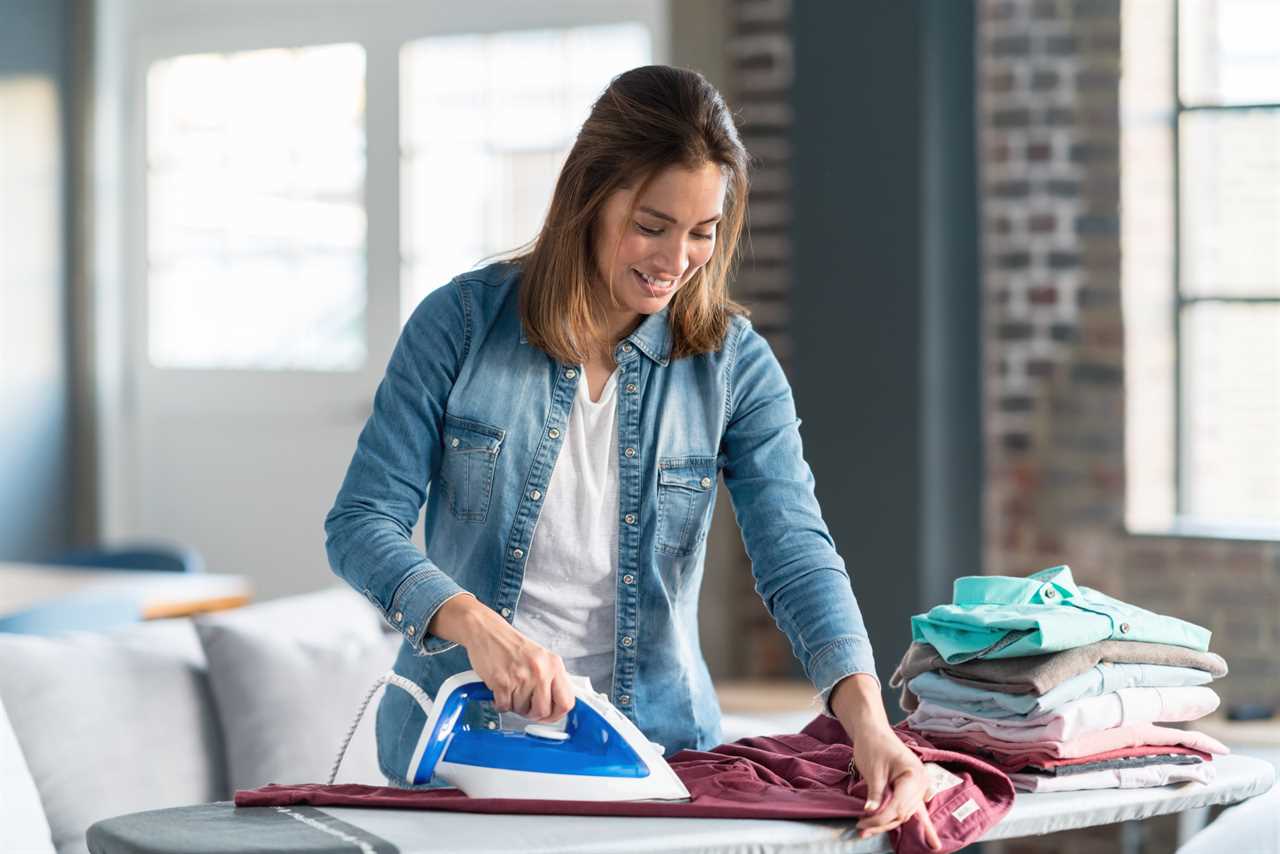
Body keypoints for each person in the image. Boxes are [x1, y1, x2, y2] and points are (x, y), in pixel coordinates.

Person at [325, 64, 940, 848]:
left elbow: (795, 553)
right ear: (589, 195)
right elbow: (360, 522)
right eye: (651, 225)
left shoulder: (732, 366)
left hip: (660, 756)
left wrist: (867, 722)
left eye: (703, 233)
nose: (676, 260)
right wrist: (475, 625)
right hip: (461, 762)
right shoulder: (460, 326)